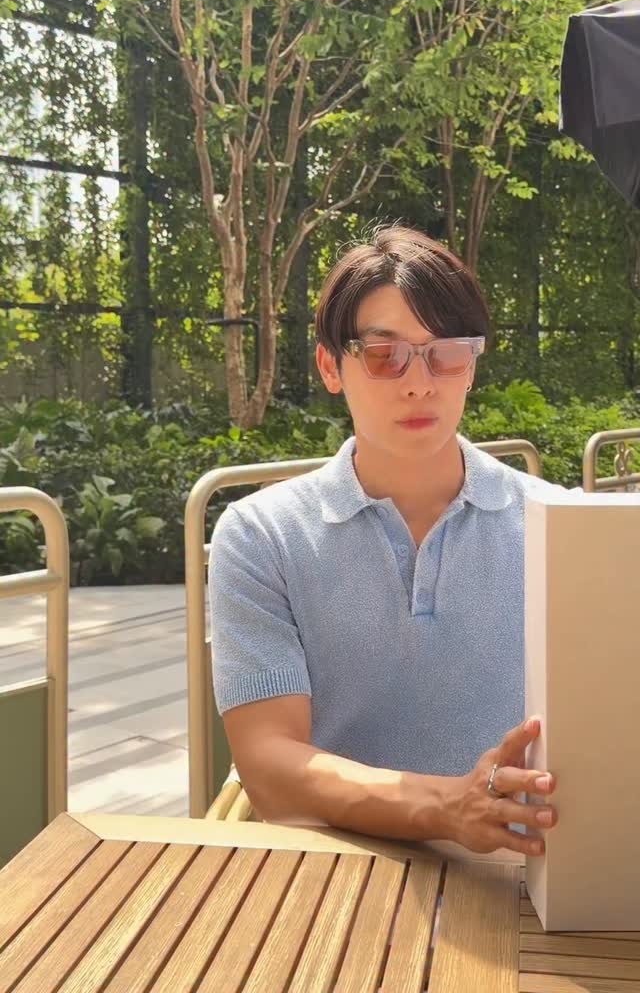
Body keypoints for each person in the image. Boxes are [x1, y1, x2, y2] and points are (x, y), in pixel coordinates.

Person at [208, 225, 559, 856]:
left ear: (472, 365)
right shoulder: (262, 536)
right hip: (333, 871)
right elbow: (270, 765)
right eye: (383, 354)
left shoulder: (556, 524)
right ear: (330, 366)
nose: (419, 383)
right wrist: (449, 807)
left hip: (522, 871)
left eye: (446, 353)